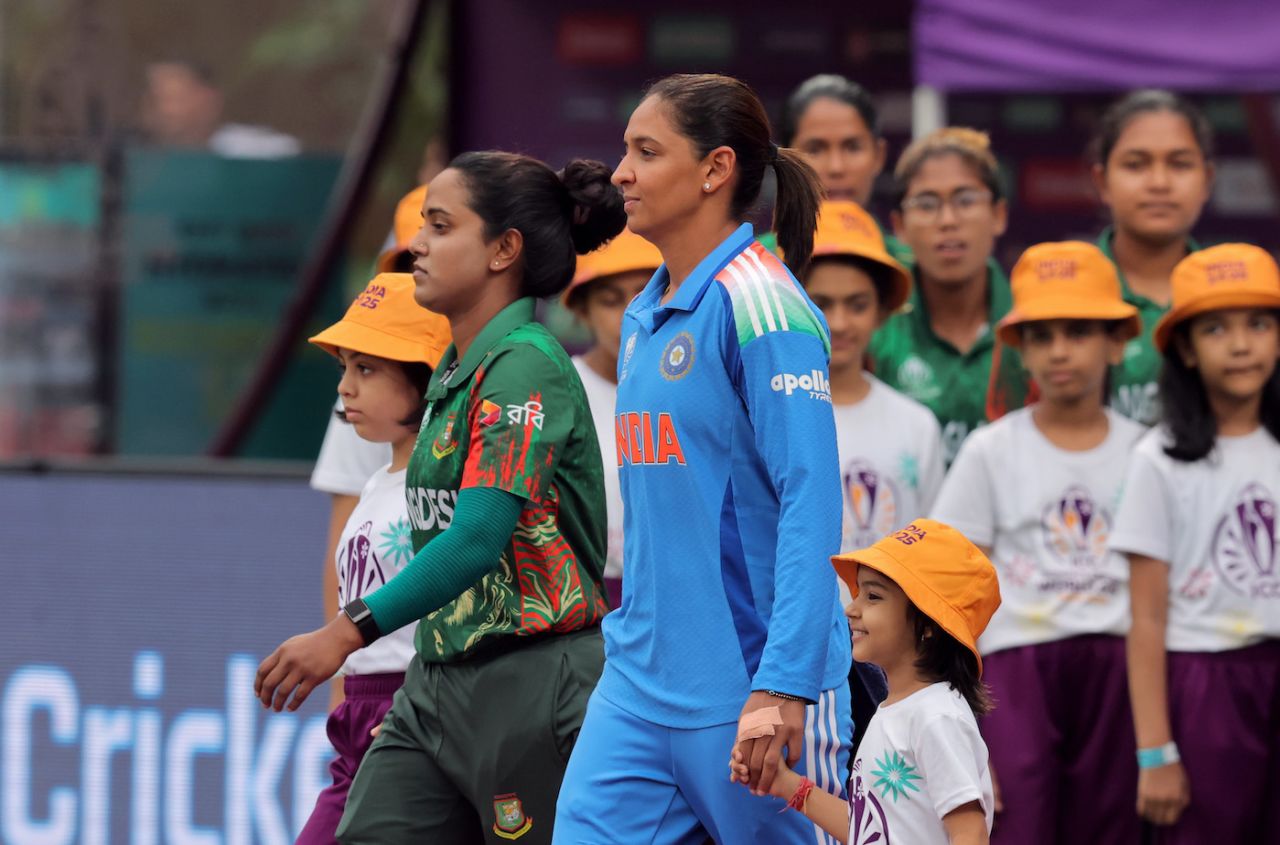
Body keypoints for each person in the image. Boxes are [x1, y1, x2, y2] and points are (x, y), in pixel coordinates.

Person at [256, 150, 627, 844]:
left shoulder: (525, 366)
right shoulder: (457, 370)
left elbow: (478, 536)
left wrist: (343, 631)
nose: (415, 245)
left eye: (439, 224)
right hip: (435, 680)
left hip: (531, 681)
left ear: (503, 249)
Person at [553, 73, 851, 844]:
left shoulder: (766, 306)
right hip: (637, 689)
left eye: (646, 152)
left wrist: (782, 683)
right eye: (624, 150)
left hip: (752, 692)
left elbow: (812, 502)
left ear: (716, 169)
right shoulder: (647, 309)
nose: (621, 173)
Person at [932, 242, 1146, 844]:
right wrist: (963, 722)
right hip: (1017, 673)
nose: (1059, 351)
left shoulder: (1147, 453)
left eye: (1078, 332)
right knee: (1019, 825)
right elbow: (948, 595)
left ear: (1116, 342)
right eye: (1041, 335)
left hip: (1119, 668)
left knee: (1113, 828)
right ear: (1019, 349)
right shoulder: (991, 450)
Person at [1111, 244, 1280, 843]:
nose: (1241, 343)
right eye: (1216, 328)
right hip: (1205, 684)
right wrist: (1156, 752)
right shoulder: (1160, 458)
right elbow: (1148, 617)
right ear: (1184, 347)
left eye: (1259, 323)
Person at [295, 272, 450, 843]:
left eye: (367, 369)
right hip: (359, 715)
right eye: (344, 369)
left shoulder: (449, 487)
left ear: (426, 376)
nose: (345, 389)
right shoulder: (376, 484)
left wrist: (422, 706)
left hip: (414, 710)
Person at [733, 519, 1000, 845]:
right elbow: (869, 831)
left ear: (929, 624)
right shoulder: (897, 710)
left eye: (873, 596)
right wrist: (784, 782)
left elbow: (968, 834)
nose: (850, 609)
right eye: (857, 593)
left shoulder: (937, 715)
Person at [801, 200, 944, 752]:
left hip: (893, 659)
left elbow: (931, 557)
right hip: (799, 651)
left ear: (883, 311)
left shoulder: (915, 424)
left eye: (857, 304)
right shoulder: (763, 417)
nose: (839, 322)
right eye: (821, 303)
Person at [987, 90, 1214, 424]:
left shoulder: (1230, 298)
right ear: (1101, 181)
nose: (1159, 182)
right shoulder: (1048, 298)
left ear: (1207, 180)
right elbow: (1011, 440)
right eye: (1135, 164)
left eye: (1180, 164)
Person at [312, 183, 429, 712]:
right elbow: (347, 555)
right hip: (368, 689)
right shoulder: (373, 455)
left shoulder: (488, 432)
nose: (346, 387)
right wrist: (341, 667)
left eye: (366, 368)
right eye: (409, 259)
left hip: (418, 696)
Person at [868, 128, 1013, 464]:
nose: (948, 220)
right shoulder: (877, 331)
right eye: (927, 204)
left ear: (999, 215)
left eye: (965, 200)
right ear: (900, 226)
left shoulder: (1032, 327)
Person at [563, 227, 662, 607]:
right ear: (583, 310)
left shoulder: (699, 387)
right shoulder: (561, 389)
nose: (631, 313)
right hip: (585, 599)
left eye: (645, 293)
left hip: (677, 595)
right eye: (610, 300)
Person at [780, 74, 912, 264]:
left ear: (879, 155)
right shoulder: (752, 271)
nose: (837, 167)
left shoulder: (915, 269)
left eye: (853, 147)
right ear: (785, 159)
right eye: (815, 149)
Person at [140, 59, 300, 158]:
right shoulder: (135, 163)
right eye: (156, 99)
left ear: (210, 99)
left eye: (176, 98)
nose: (166, 110)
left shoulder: (257, 153)